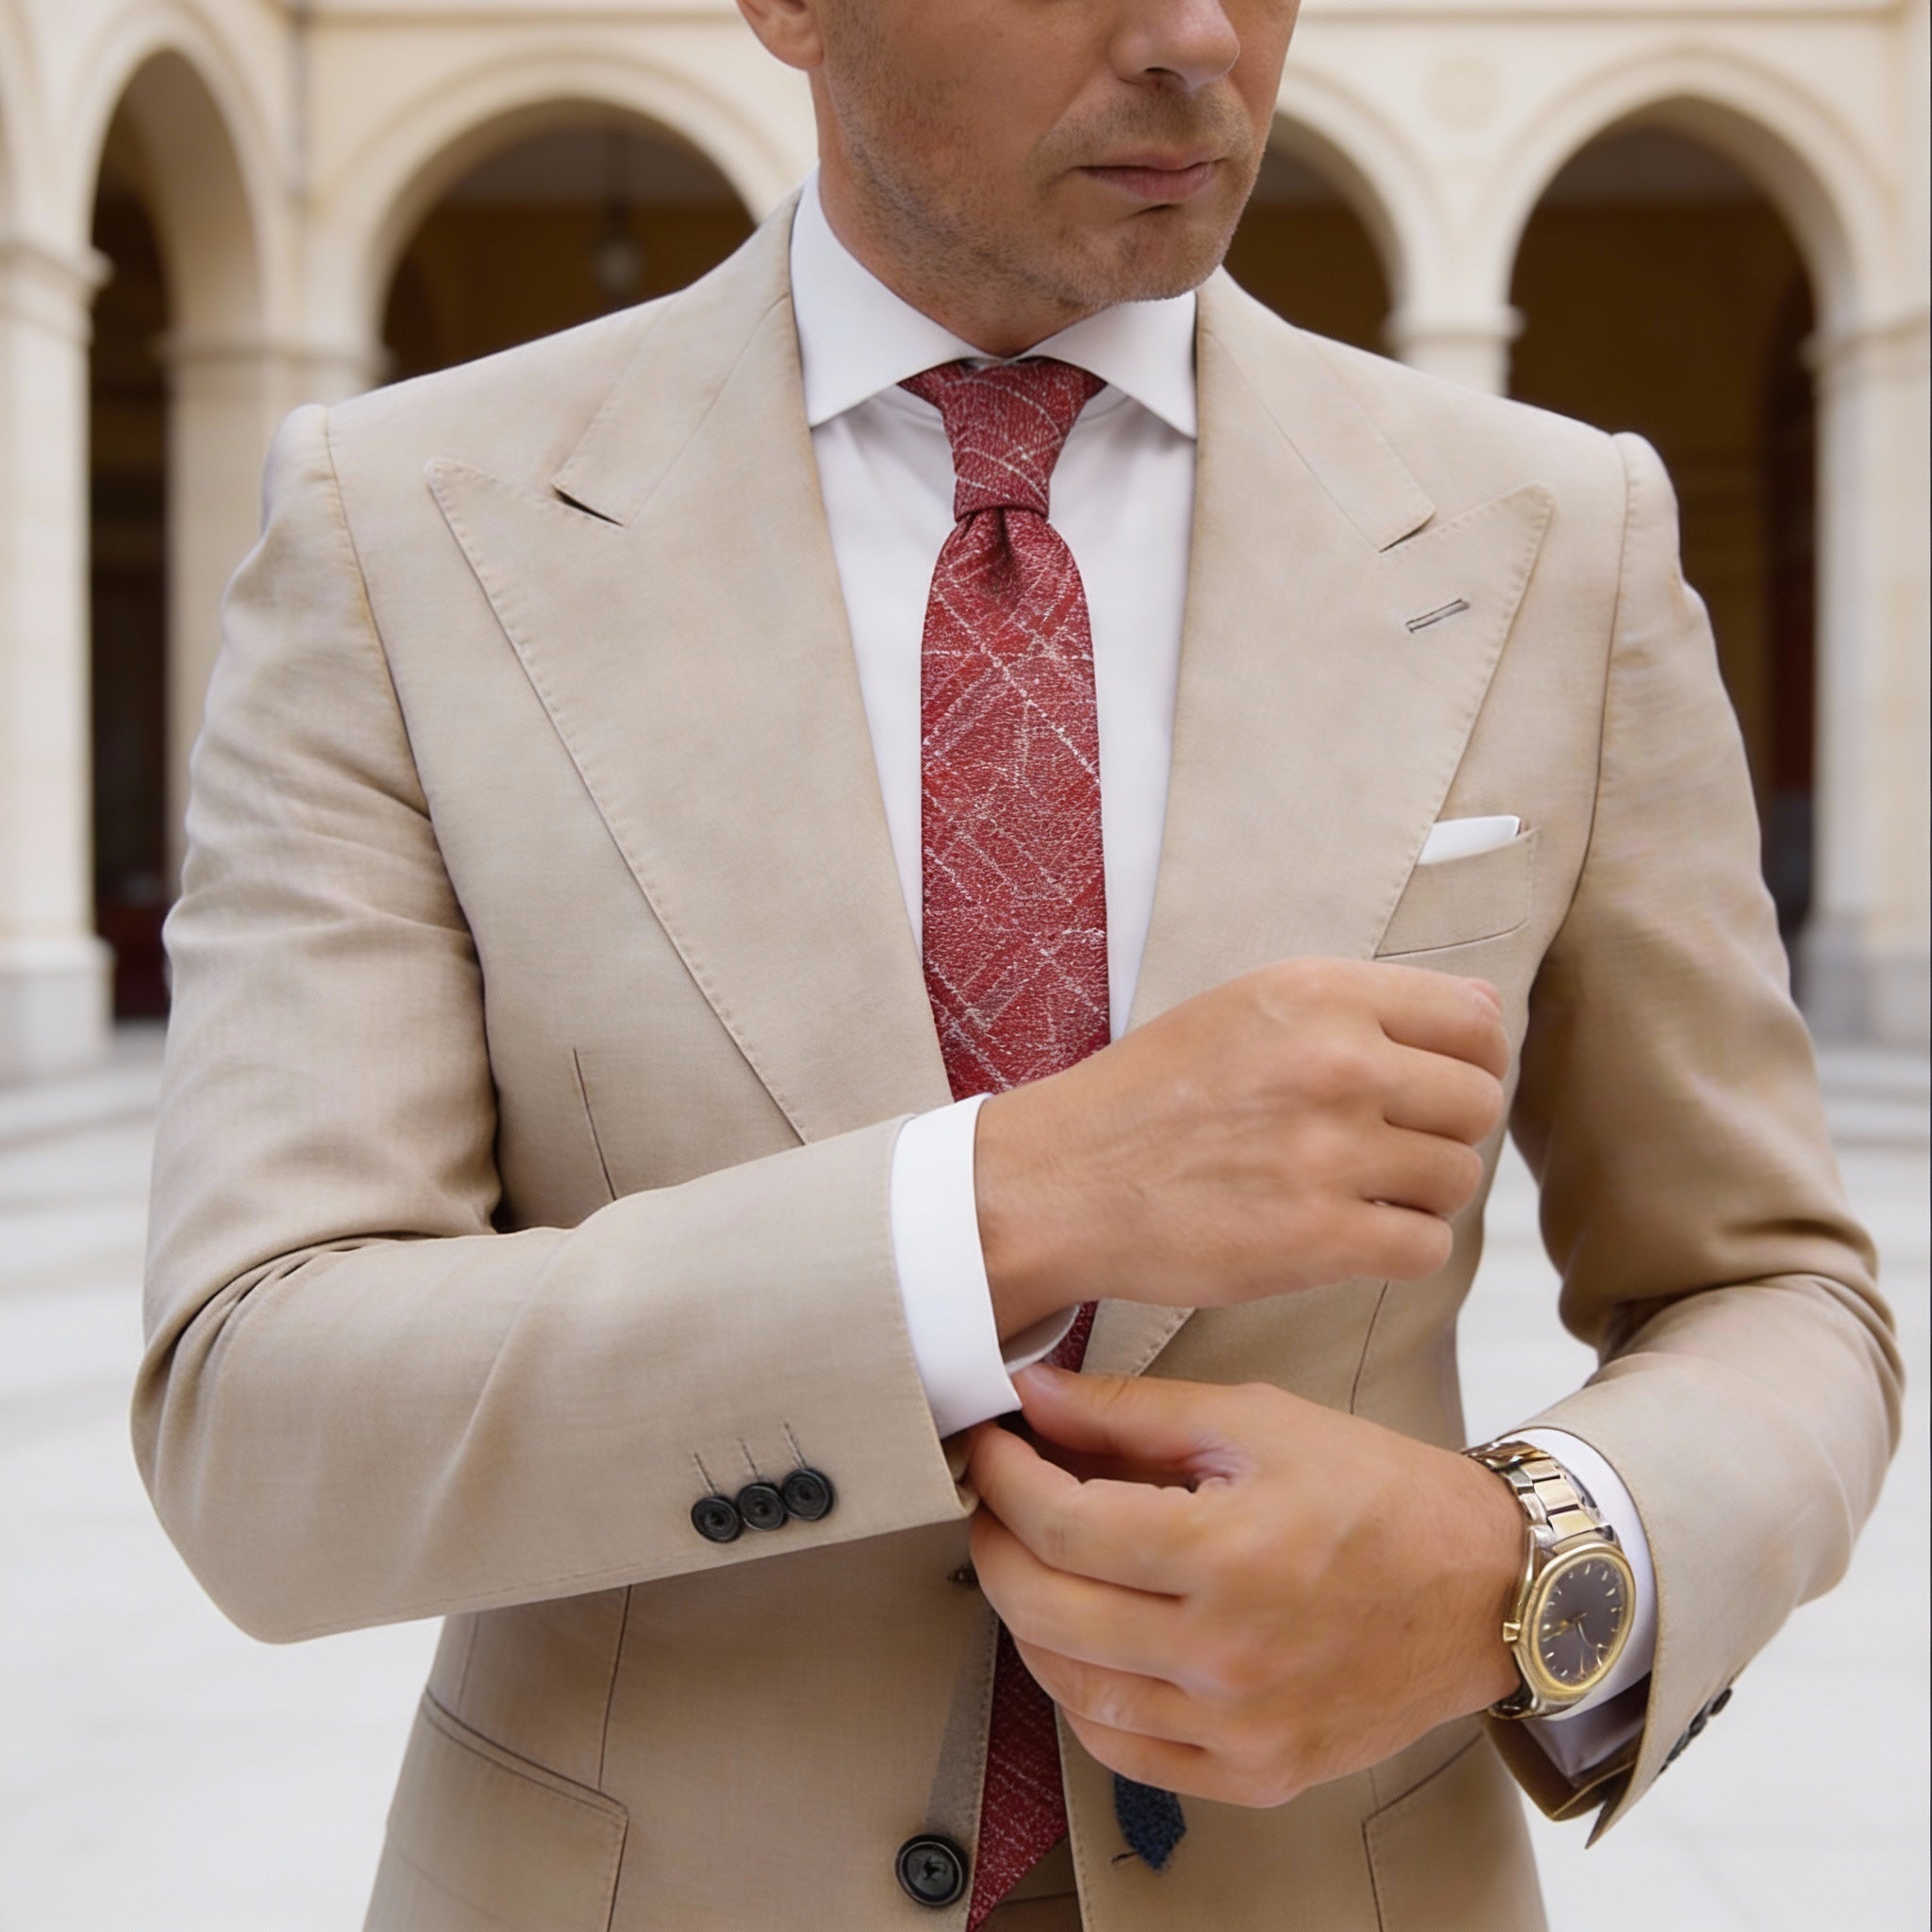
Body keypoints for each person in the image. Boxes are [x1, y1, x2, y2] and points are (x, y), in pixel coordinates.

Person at [134, 1, 1900, 1927]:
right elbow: (260, 1416)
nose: (1194, 33)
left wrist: (1518, 1556)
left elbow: (1778, 1294)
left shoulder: (1561, 537)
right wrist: (1005, 1204)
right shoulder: (400, 534)